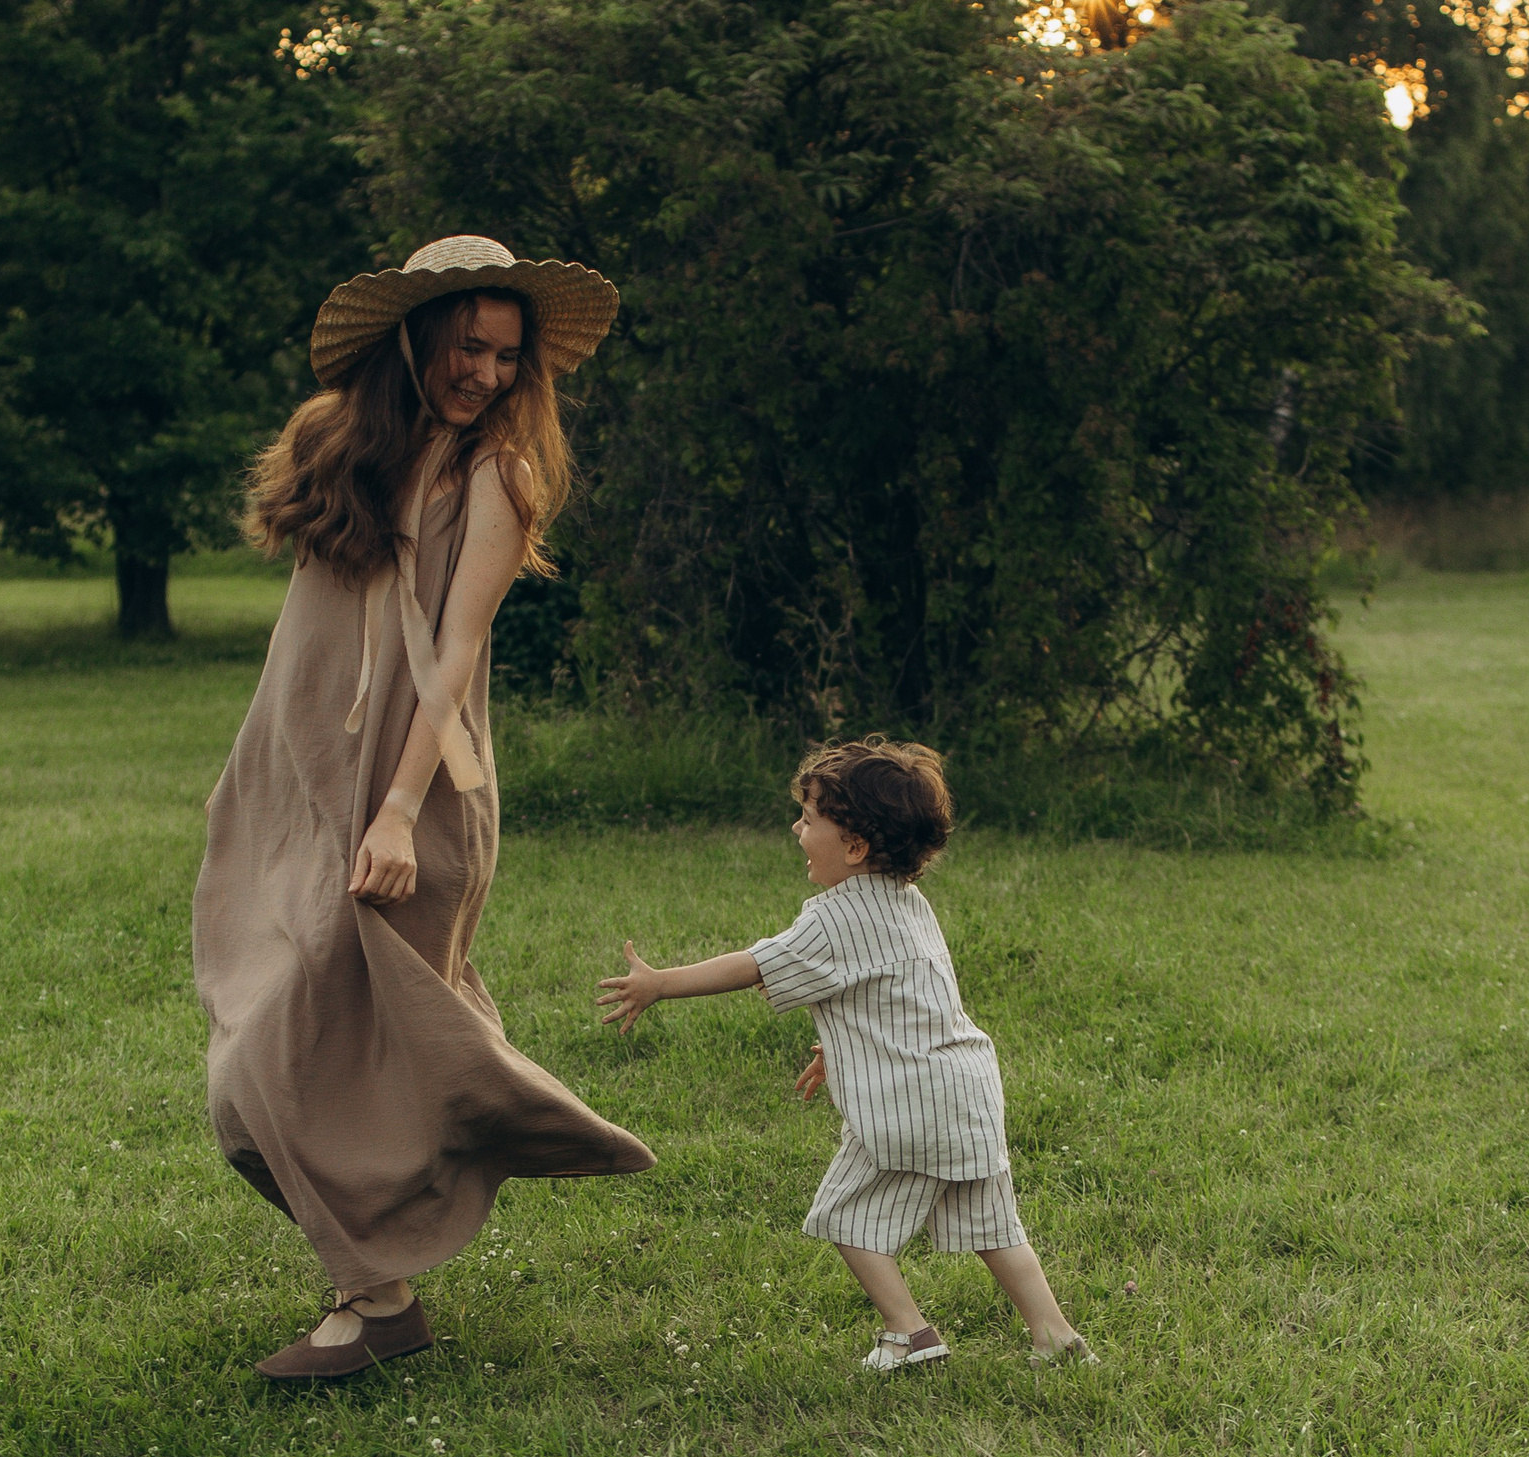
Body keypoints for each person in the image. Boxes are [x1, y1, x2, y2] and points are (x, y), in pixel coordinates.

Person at [194, 236, 655, 1382]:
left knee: (302, 1043)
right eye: (468, 346)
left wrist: (396, 812)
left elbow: (451, 657)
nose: (489, 374)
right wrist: (268, 771)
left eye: (508, 355)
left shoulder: (497, 473)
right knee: (265, 1049)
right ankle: (379, 1283)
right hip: (304, 769)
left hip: (415, 788)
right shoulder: (334, 446)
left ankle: (381, 1291)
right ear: (415, 341)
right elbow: (313, 632)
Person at [594, 738, 1095, 1371]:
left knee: (846, 1215)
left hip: (909, 1100)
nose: (797, 829)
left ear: (855, 845)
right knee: (995, 1224)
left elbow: (757, 966)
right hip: (966, 1086)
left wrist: (661, 983)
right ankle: (1055, 1336)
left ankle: (909, 1334)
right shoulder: (909, 905)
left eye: (808, 819)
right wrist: (843, 1047)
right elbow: (902, 998)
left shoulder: (834, 917)